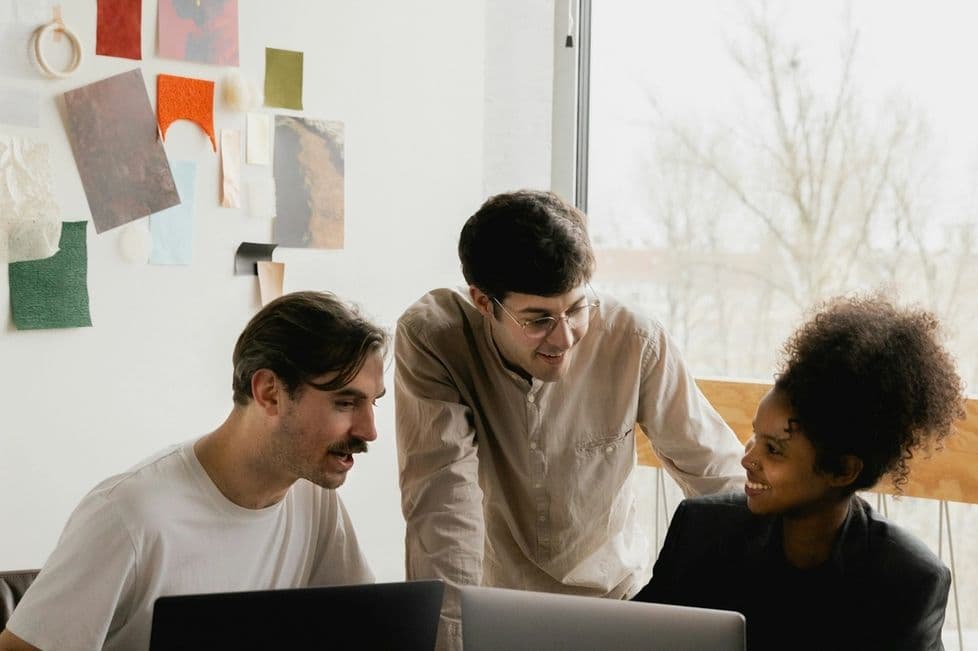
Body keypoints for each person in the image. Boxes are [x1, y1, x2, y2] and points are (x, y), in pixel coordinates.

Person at [395, 189, 747, 649]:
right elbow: (443, 506)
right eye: (538, 319)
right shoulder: (434, 338)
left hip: (618, 605)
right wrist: (452, 642)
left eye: (576, 308)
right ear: (484, 303)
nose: (564, 338)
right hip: (494, 608)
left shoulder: (635, 339)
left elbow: (717, 474)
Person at [0, 291, 388, 651]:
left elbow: (366, 634)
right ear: (269, 392)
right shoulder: (129, 515)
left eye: (373, 403)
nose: (369, 430)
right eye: (345, 403)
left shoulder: (314, 499)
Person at [633, 294, 965, 651]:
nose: (747, 459)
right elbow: (628, 639)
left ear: (842, 470)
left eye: (774, 449)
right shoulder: (701, 530)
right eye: (755, 436)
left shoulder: (906, 579)